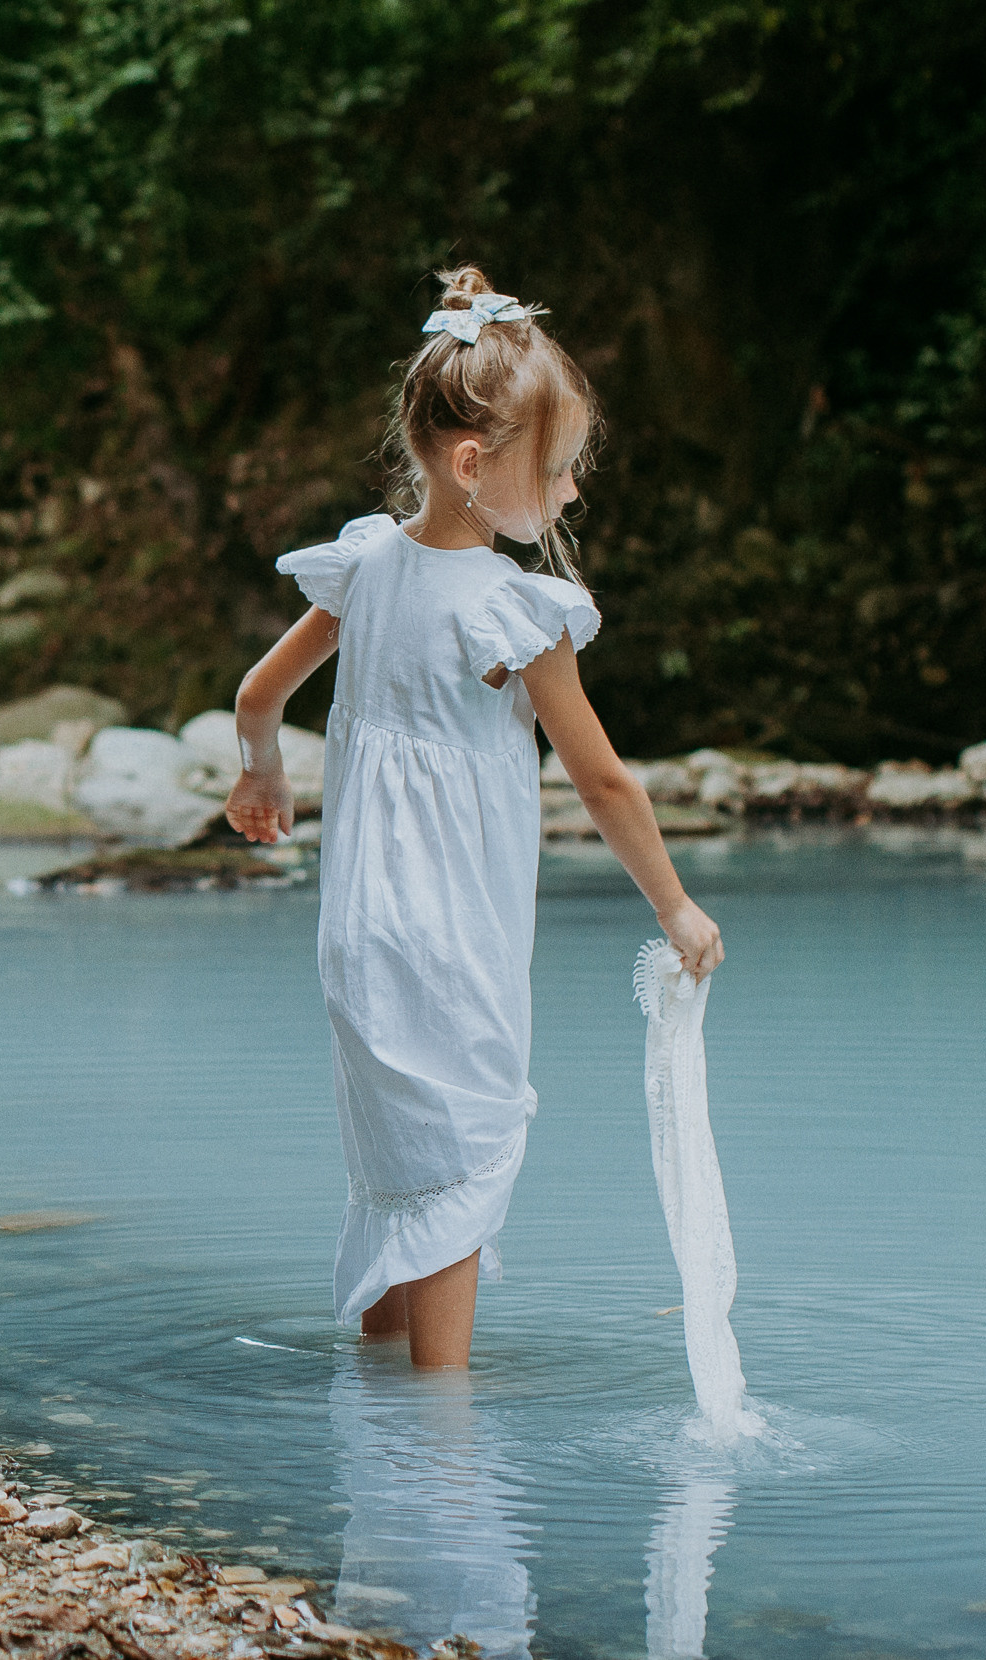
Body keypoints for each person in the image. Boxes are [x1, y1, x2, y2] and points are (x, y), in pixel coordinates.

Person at [227, 265, 725, 1369]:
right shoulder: (511, 608)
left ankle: (379, 1415)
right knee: (463, 1147)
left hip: (358, 930)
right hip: (452, 933)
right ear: (470, 466)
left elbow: (258, 696)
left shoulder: (362, 570)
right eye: (556, 471)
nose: (570, 494)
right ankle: (436, 1431)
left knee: (399, 1158)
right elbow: (602, 782)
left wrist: (261, 779)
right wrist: (678, 907)